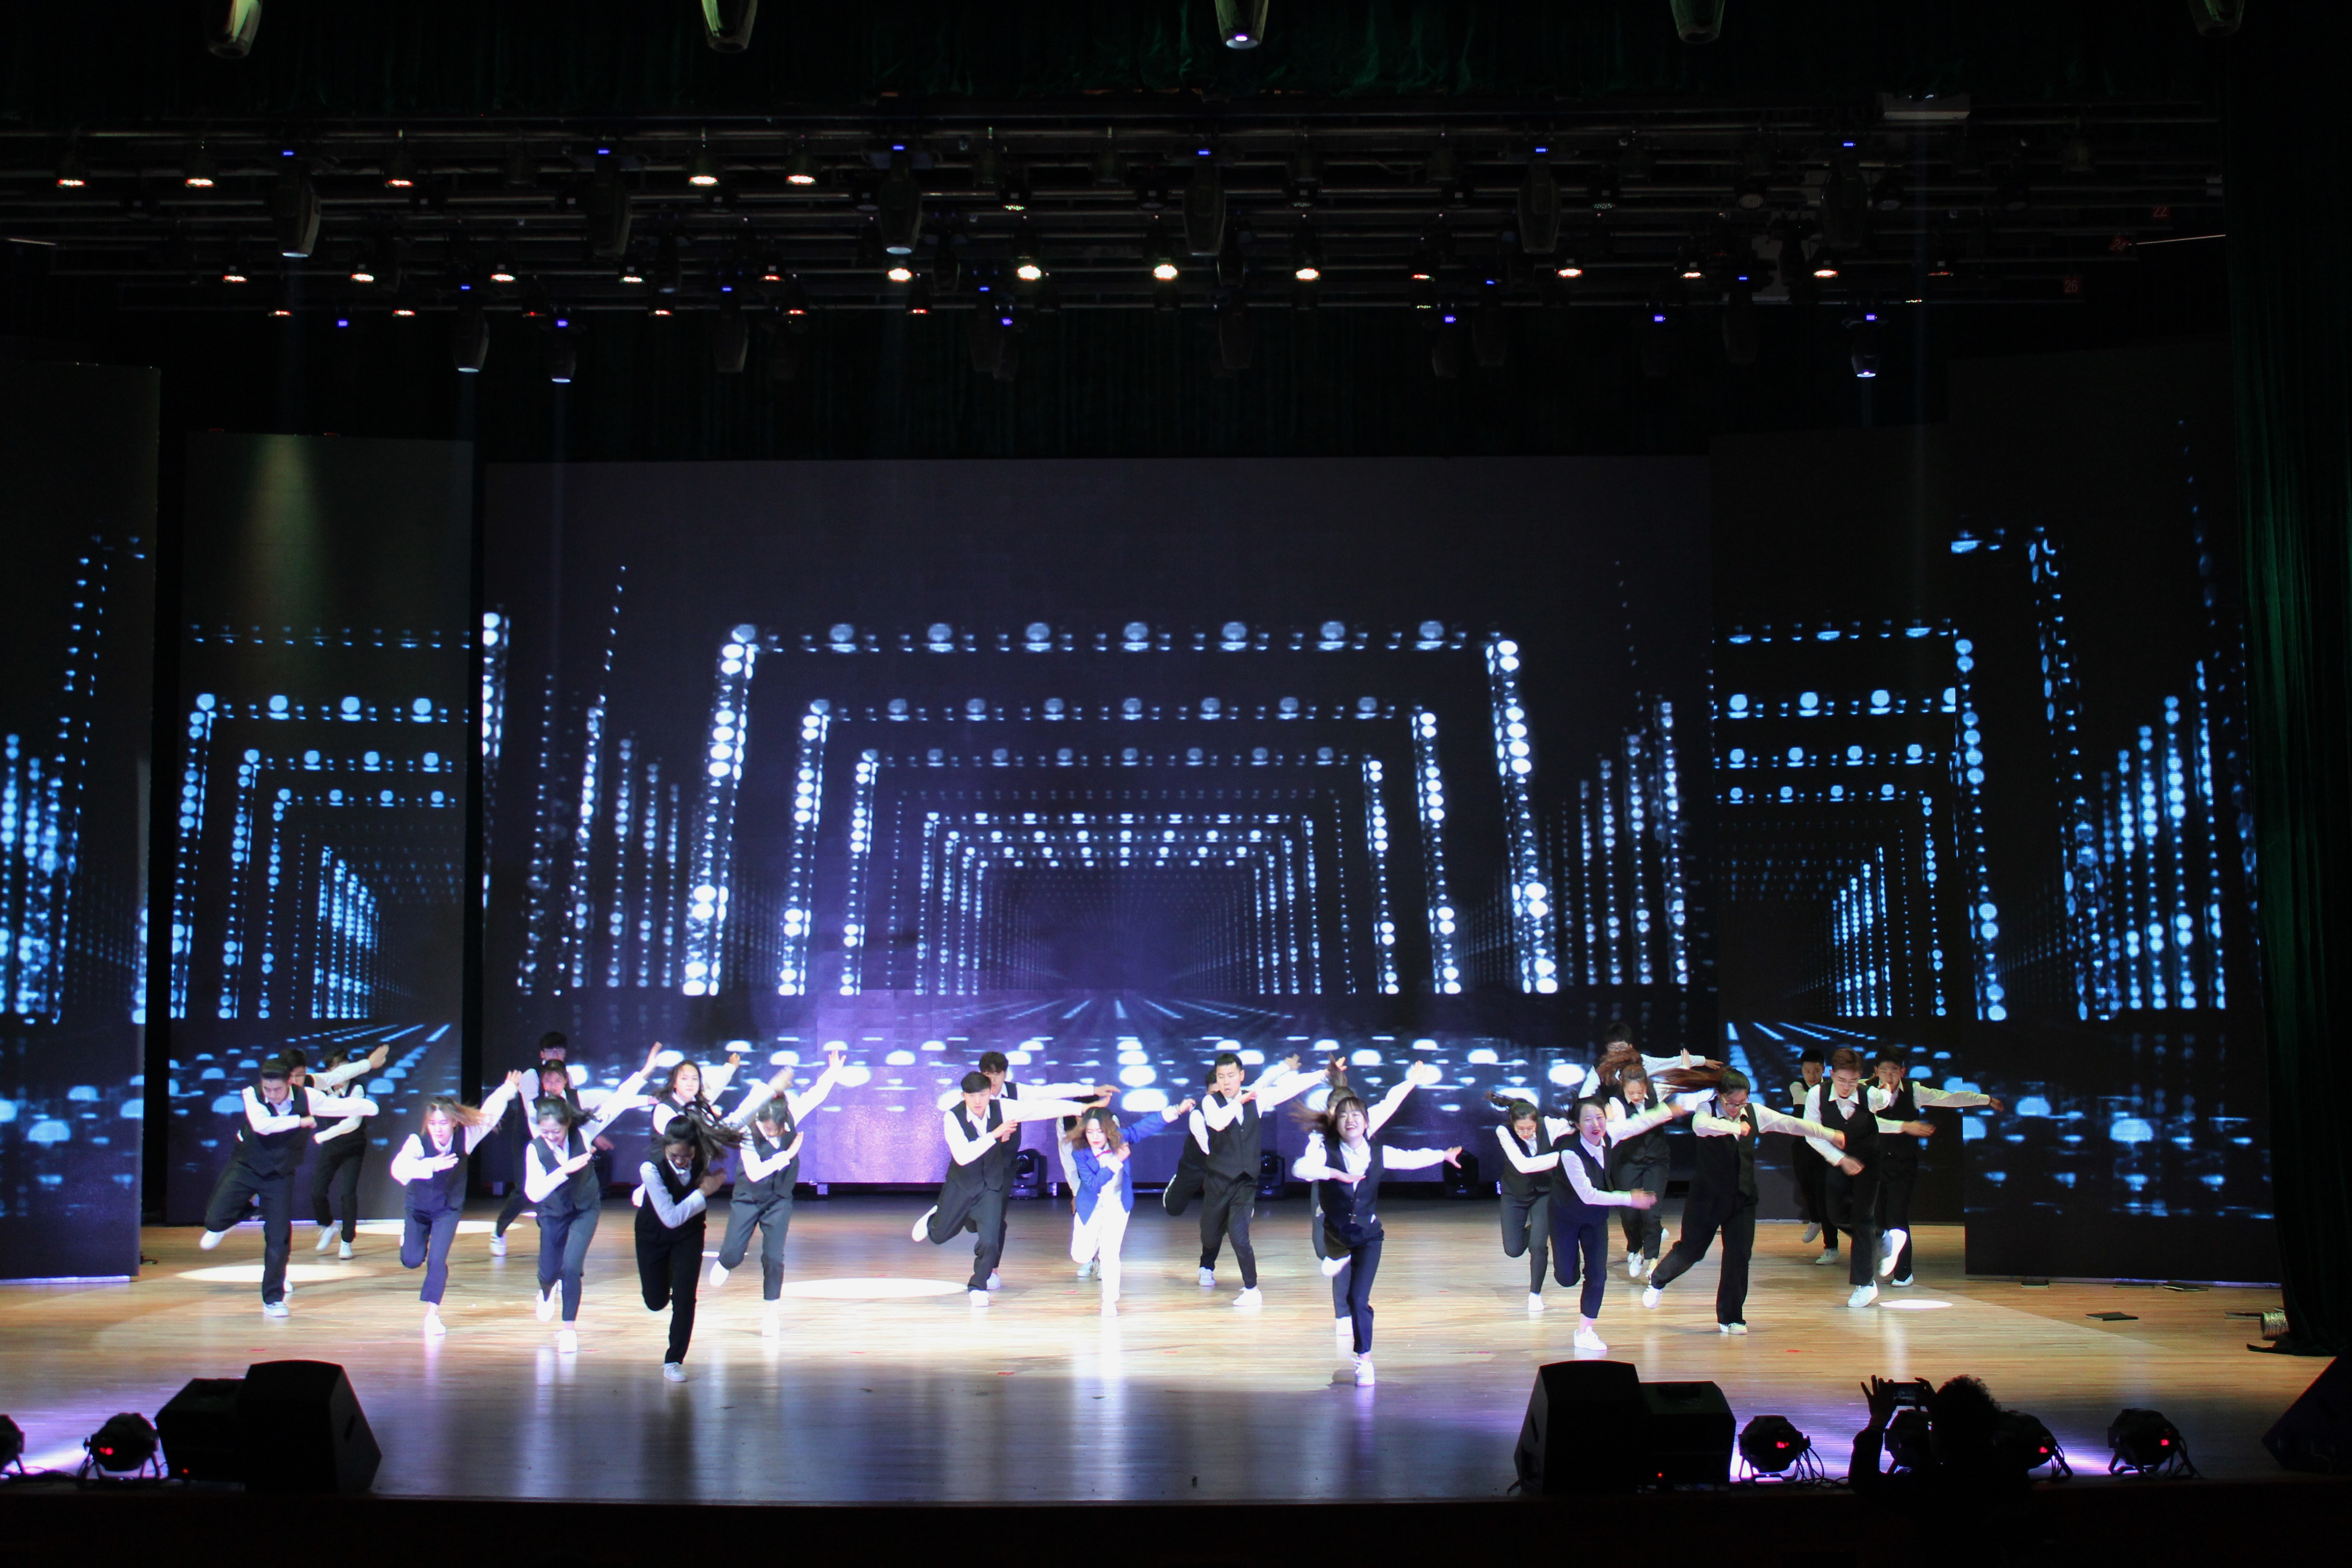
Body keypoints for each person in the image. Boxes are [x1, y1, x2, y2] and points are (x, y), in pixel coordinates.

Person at [1639, 1068, 1842, 1333]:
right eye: (1731, 1103)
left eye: (1742, 1103)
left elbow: (1792, 1124)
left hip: (1742, 1197)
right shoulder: (1706, 1110)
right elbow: (1701, 1126)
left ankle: (1731, 1317)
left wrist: (1829, 1133)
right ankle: (1657, 1280)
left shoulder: (1755, 1113)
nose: (1736, 1109)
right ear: (1720, 1096)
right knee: (1692, 1250)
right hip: (1707, 1199)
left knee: (1739, 1255)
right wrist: (1734, 1127)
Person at [1293, 1085, 1460, 1386]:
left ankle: (1365, 1360)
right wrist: (1335, 1174)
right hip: (1337, 1230)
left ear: (1367, 1122)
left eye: (1356, 1115)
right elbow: (1301, 1169)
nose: (1350, 1120)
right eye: (1343, 1116)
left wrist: (1443, 1155)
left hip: (1369, 1236)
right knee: (1332, 1246)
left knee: (1359, 1299)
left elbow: (1412, 1158)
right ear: (1336, 1123)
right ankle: (1337, 1253)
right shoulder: (1325, 1151)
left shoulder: (1380, 1153)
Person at [197, 1054, 378, 1316]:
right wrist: (300, 1122)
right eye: (267, 1089)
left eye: (277, 1089)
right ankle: (242, 1214)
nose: (271, 1095)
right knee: (215, 1220)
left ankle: (273, 1299)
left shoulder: (307, 1096)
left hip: (280, 1175)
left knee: (278, 1236)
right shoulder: (252, 1094)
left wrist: (368, 1107)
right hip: (246, 1166)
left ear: (289, 1083)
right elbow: (263, 1125)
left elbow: (334, 1106)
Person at [913, 1072, 1108, 1304]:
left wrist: (1082, 1109)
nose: (978, 1101)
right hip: (962, 1185)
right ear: (963, 1096)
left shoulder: (1002, 1108)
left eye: (983, 1095)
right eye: (972, 1096)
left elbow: (1039, 1109)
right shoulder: (953, 1118)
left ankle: (978, 1286)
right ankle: (936, 1218)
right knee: (940, 1235)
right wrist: (995, 1135)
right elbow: (963, 1157)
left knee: (990, 1240)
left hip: (991, 1186)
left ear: (990, 1093)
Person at [708, 1049, 850, 1332]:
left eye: (779, 1128)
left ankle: (771, 1313)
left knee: (774, 1257)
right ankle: (726, 1261)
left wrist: (833, 1072)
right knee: (734, 1254)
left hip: (779, 1200)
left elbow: (816, 1095)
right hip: (748, 1198)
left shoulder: (789, 1117)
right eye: (771, 1129)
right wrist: (787, 1155)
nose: (775, 1132)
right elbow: (755, 1173)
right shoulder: (748, 1131)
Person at [385, 1072, 525, 1336]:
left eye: (444, 1123)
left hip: (447, 1210)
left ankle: (432, 1315)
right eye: (433, 1123)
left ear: (454, 1122)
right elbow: (397, 1169)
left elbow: (489, 1114)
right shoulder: (418, 1143)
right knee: (412, 1260)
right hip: (418, 1209)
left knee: (437, 1261)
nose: (438, 1129)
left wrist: (508, 1088)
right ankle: (410, 1239)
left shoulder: (466, 1138)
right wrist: (430, 1165)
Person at [1547, 1094, 1686, 1351]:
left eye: (1600, 1118)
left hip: (1595, 1219)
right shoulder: (1569, 1152)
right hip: (1565, 1217)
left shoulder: (1609, 1136)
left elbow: (1639, 1123)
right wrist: (1630, 1198)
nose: (1595, 1124)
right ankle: (1567, 1269)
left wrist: (1669, 1111)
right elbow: (1588, 1195)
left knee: (1597, 1275)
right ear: (1577, 1124)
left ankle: (1585, 1332)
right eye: (1588, 1120)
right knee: (1566, 1278)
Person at [1868, 1050, 2003, 1286]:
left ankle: (1904, 1273)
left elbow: (1950, 1099)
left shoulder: (1915, 1091)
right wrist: (1905, 1126)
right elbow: (1870, 1123)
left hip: (1903, 1164)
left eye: (1894, 1071)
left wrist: (1986, 1099)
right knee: (1878, 1217)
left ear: (1903, 1072)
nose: (1889, 1076)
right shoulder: (1866, 1091)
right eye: (1884, 1071)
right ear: (1876, 1072)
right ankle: (1884, 1262)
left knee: (1897, 1215)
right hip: (1873, 1163)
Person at [520, 1087, 638, 1353]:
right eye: (545, 1132)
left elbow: (616, 1104)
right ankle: (546, 1290)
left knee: (571, 1267)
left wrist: (643, 1074)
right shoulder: (534, 1149)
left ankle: (568, 1330)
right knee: (549, 1272)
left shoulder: (584, 1134)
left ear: (567, 1124)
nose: (550, 1137)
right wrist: (564, 1171)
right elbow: (534, 1193)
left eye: (556, 1131)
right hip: (553, 1212)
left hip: (585, 1208)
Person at [1189, 1050, 1309, 1308]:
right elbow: (1218, 1125)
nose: (1226, 1081)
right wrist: (1238, 1102)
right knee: (1210, 1235)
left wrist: (1322, 1074)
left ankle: (1252, 1289)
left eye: (1231, 1075)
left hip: (1245, 1183)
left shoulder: (1255, 1097)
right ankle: (1207, 1264)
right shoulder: (1209, 1103)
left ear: (1241, 1076)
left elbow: (1282, 1087)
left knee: (1239, 1235)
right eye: (1221, 1077)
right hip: (1219, 1180)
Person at [492, 1032, 616, 1256]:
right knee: (524, 1189)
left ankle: (554, 1235)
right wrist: (545, 1141)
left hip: (559, 1135)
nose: (556, 1054)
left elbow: (573, 1111)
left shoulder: (567, 1076)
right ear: (542, 1054)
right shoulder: (531, 1076)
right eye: (551, 1050)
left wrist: (591, 1136)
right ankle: (499, 1231)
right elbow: (533, 1114)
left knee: (560, 1185)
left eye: (560, 1050)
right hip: (532, 1135)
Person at [1066, 1098, 1194, 1313]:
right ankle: (1094, 1246)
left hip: (1117, 1203)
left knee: (1110, 1254)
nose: (1095, 1137)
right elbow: (1094, 1183)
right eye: (1090, 1132)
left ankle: (1109, 1302)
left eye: (1100, 1132)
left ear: (1109, 1130)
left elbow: (1146, 1126)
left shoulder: (1121, 1138)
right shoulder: (1080, 1152)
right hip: (1091, 1206)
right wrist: (1117, 1161)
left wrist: (1177, 1110)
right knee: (1081, 1256)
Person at [636, 1117, 728, 1382]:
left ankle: (674, 1360)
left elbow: (736, 1122)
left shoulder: (702, 1154)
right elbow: (671, 1217)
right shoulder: (650, 1169)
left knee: (685, 1297)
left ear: (695, 1150)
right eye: (674, 1155)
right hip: (653, 1235)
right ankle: (665, 1277)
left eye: (685, 1156)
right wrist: (704, 1192)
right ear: (665, 1147)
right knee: (656, 1301)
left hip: (689, 1235)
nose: (679, 1161)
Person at [1801, 1046, 1887, 1307]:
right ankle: (1883, 1238)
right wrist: (1841, 1160)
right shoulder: (1817, 1095)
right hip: (1838, 1159)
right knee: (1836, 1215)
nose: (1847, 1087)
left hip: (1869, 1161)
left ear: (1860, 1078)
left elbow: (1884, 1100)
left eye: (1853, 1081)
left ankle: (1865, 1284)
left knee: (1862, 1218)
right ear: (1831, 1074)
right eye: (1841, 1080)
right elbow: (1812, 1135)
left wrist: (1886, 1090)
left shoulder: (1869, 1094)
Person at [307, 1043, 391, 1259]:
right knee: (317, 1191)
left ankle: (346, 1241)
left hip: (353, 1145)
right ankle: (327, 1225)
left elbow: (353, 1122)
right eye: (337, 1069)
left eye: (346, 1068)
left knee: (348, 1193)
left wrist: (324, 1135)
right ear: (329, 1072)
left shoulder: (357, 1088)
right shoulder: (322, 1089)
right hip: (332, 1146)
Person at [1489, 1095, 1563, 1315]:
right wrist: (1562, 1157)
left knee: (1538, 1246)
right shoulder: (1504, 1131)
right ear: (1513, 1124)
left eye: (1530, 1128)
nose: (1526, 1133)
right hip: (1514, 1194)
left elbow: (1577, 1128)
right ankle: (1539, 1227)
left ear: (1537, 1122)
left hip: (1544, 1193)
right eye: (1520, 1129)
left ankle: (1535, 1294)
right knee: (1513, 1250)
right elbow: (1523, 1165)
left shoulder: (1550, 1125)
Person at [1606, 1067, 1673, 1279]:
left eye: (1640, 1092)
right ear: (1623, 1087)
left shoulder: (1658, 1090)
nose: (1636, 1096)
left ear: (1646, 1086)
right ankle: (1636, 1248)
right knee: (1630, 1212)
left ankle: (1652, 1259)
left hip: (1657, 1160)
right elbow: (1624, 1130)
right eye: (1631, 1092)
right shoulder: (1616, 1103)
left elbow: (1680, 1082)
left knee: (1652, 1212)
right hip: (1627, 1160)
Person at [1787, 1046, 1834, 1258]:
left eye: (1816, 1071)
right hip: (1802, 1146)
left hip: (1824, 1147)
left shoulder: (1831, 1086)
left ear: (1824, 1069)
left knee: (1825, 1197)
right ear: (1802, 1071)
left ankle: (1831, 1247)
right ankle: (1815, 1220)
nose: (1812, 1076)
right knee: (1806, 1187)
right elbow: (1804, 1100)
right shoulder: (1797, 1086)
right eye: (1807, 1071)